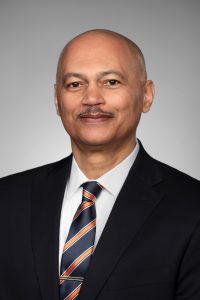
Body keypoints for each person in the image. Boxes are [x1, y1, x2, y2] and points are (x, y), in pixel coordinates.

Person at [0, 29, 200, 300]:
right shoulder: (7, 199)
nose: (92, 98)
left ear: (147, 95)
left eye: (111, 82)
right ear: (57, 99)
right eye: (74, 84)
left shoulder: (192, 208)